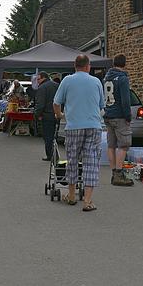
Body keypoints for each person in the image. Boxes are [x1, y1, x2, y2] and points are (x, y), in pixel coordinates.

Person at [53, 54, 105, 212]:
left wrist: (59, 115)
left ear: (74, 66)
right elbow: (102, 105)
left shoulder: (67, 80)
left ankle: (71, 195)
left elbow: (56, 103)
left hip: (74, 126)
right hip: (93, 126)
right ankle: (87, 201)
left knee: (72, 160)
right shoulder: (96, 82)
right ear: (88, 66)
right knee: (91, 163)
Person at [103, 54, 134, 187]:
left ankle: (113, 171)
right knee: (124, 144)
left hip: (108, 114)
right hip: (119, 115)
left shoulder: (106, 78)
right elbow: (126, 100)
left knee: (111, 145)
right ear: (124, 64)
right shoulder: (122, 78)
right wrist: (128, 116)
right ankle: (119, 173)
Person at [32, 71, 59, 161]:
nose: (37, 81)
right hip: (57, 114)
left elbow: (40, 104)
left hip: (47, 115)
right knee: (55, 136)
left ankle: (49, 155)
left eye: (38, 79)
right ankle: (55, 154)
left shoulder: (42, 88)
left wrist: (37, 114)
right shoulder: (56, 85)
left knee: (48, 137)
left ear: (43, 78)